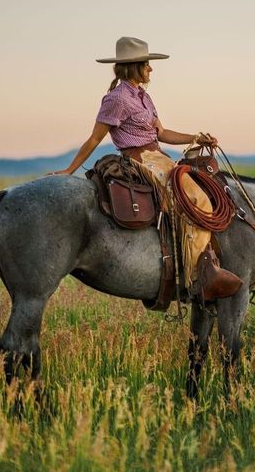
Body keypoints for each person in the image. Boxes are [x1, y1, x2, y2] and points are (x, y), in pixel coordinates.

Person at [49, 36, 240, 300]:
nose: (151, 69)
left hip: (157, 155)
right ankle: (198, 276)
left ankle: (201, 262)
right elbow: (95, 138)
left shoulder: (145, 97)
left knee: (202, 188)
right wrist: (70, 170)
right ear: (134, 66)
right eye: (147, 64)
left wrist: (195, 138)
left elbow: (161, 133)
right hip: (139, 160)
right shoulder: (116, 99)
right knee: (194, 199)